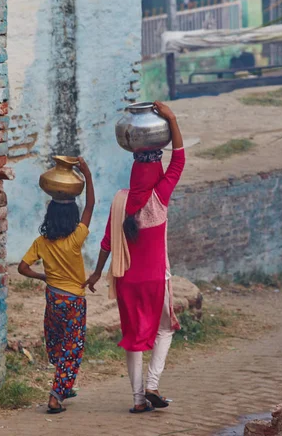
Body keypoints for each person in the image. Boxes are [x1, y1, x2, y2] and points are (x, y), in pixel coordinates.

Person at [84, 102, 185, 414]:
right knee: (165, 329)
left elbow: (105, 243)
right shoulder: (159, 196)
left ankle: (138, 400)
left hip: (126, 281)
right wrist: (171, 119)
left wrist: (98, 273)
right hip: (156, 280)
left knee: (134, 338)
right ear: (155, 173)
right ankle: (152, 384)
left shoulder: (120, 202)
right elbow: (179, 161)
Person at [18, 158, 94, 415]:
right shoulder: (76, 239)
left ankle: (64, 386)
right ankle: (55, 397)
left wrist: (42, 277)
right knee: (72, 349)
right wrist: (88, 176)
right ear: (73, 216)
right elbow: (91, 206)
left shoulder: (41, 242)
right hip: (74, 301)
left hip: (53, 298)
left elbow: (22, 267)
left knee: (58, 343)